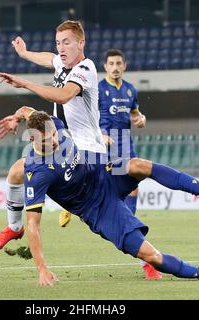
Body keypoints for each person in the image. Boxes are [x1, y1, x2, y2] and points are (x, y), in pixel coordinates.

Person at [17, 110, 199, 286]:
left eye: (54, 135)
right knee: (149, 254)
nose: (55, 141)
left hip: (104, 173)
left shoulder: (51, 123)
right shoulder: (37, 173)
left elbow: (28, 111)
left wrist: (17, 115)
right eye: (47, 139)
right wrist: (42, 269)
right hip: (97, 209)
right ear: (33, 138)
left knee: (139, 165)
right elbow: (33, 225)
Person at [0, 20, 107, 253]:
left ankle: (70, 203)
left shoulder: (85, 68)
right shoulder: (61, 63)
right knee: (16, 172)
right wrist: (24, 53)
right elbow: (48, 58)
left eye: (67, 42)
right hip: (60, 137)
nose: (61, 48)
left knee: (109, 208)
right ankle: (14, 227)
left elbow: (62, 96)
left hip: (85, 149)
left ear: (81, 43)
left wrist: (25, 83)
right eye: (58, 43)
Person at [58, 48, 161, 280]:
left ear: (124, 66)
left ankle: (137, 242)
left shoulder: (130, 90)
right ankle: (72, 203)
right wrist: (100, 135)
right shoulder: (98, 87)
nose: (115, 67)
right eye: (111, 63)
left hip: (125, 145)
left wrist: (139, 118)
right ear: (105, 67)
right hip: (101, 145)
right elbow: (85, 113)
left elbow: (135, 113)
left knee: (132, 190)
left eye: (119, 63)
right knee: (103, 190)